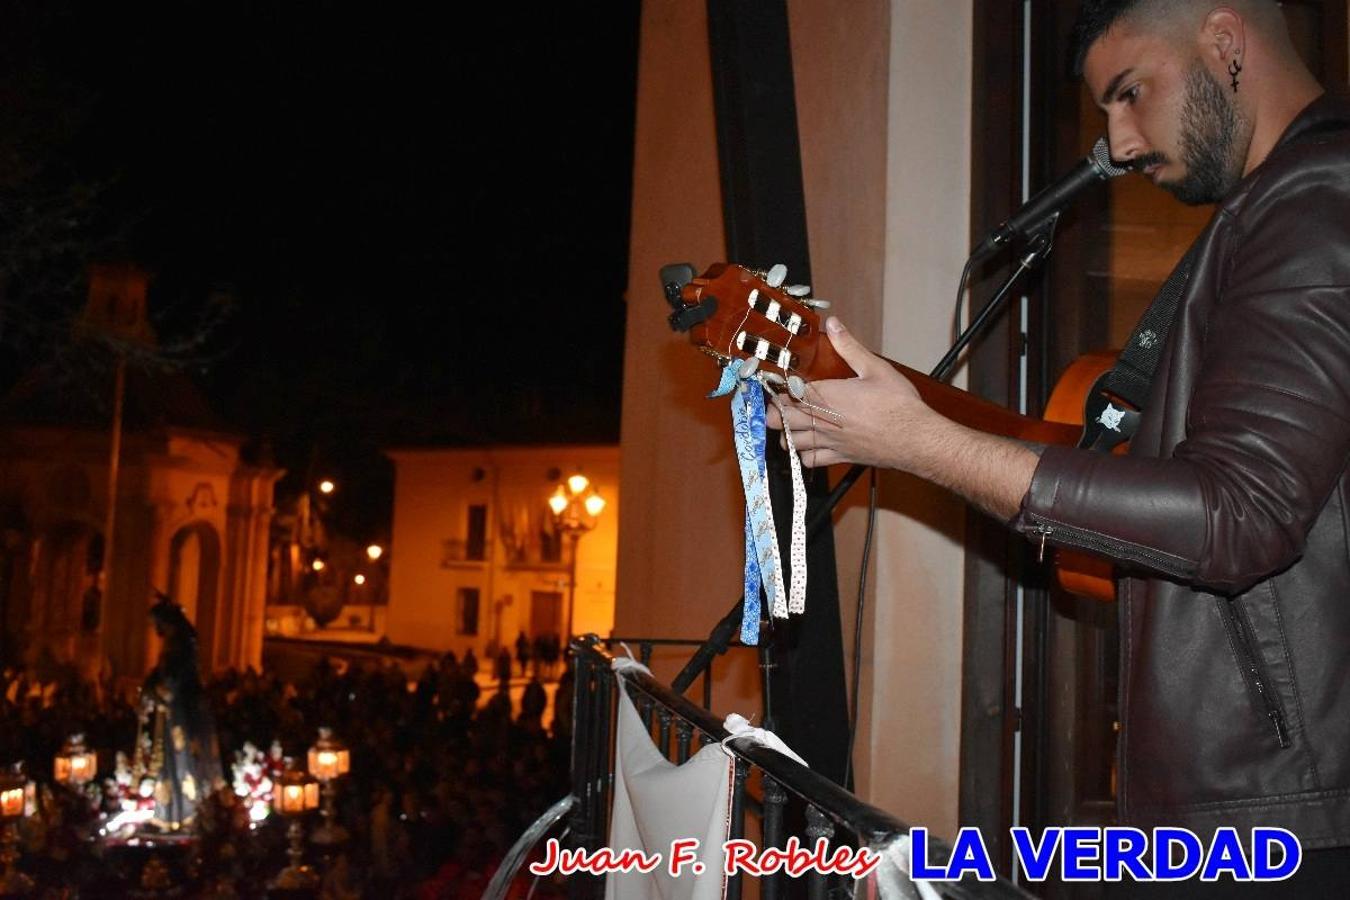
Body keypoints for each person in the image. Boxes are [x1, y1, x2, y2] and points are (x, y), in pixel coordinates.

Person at [769, 0, 1350, 893]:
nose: (1117, 144)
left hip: (1283, 822)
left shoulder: (1313, 200)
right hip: (1260, 807)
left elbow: (1239, 516)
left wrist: (921, 443)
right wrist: (892, 421)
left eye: (1129, 94)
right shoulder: (1274, 211)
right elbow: (1155, 505)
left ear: (1225, 45)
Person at [138, 593, 224, 831]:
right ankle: (175, 810)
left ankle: (186, 812)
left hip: (181, 713)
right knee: (173, 759)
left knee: (182, 759)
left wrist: (152, 690)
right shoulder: (176, 644)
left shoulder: (179, 646)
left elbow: (171, 682)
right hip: (176, 712)